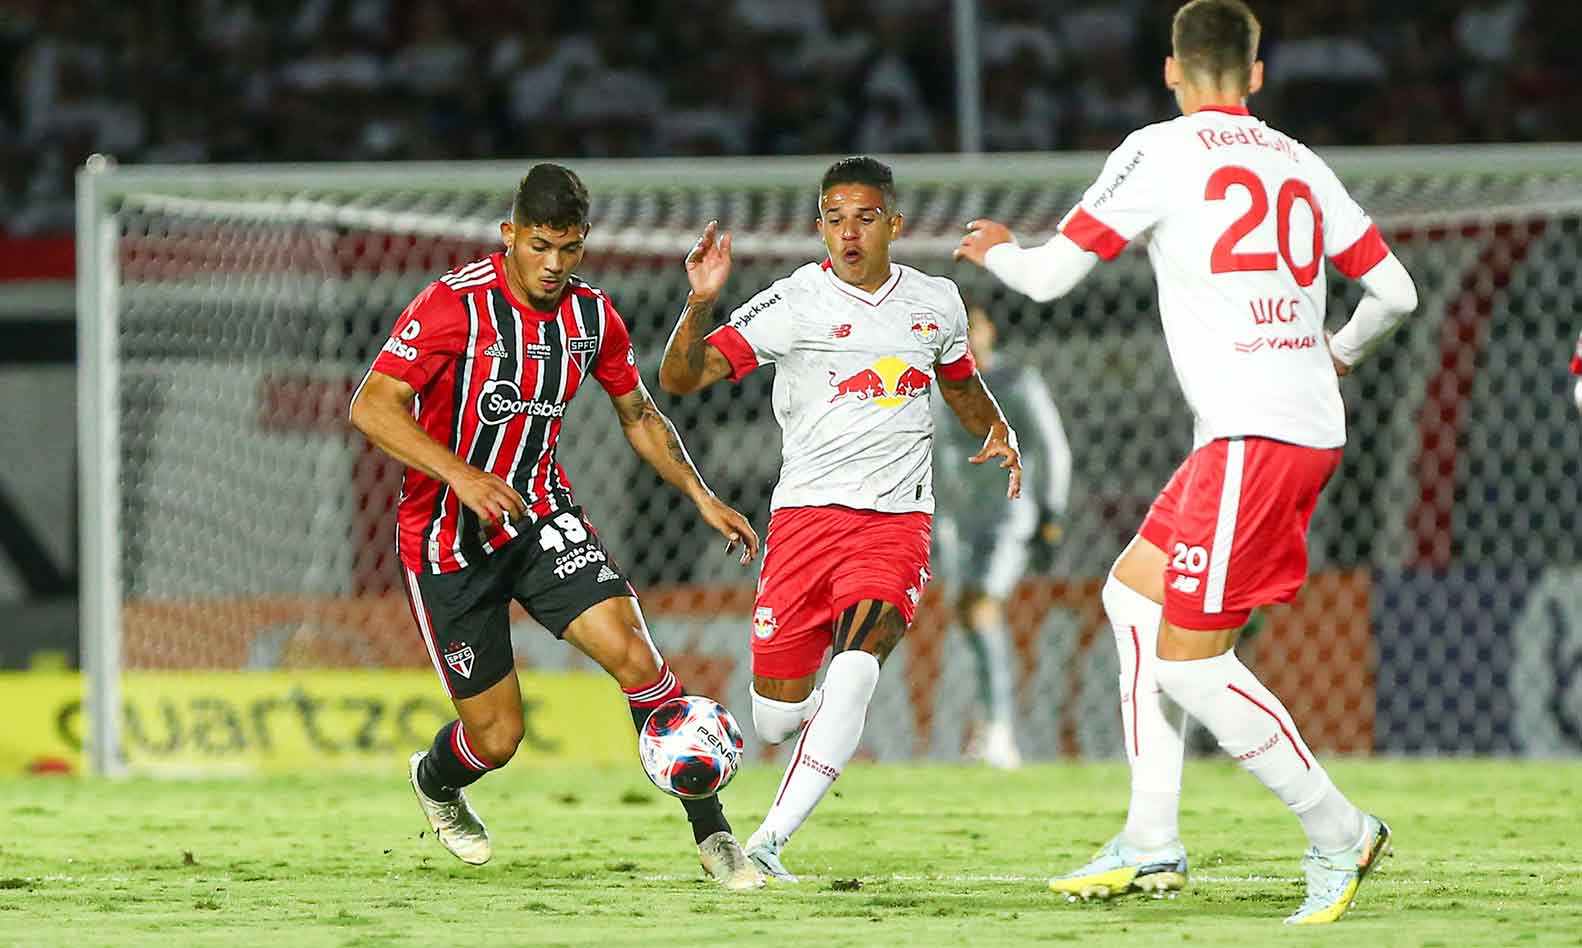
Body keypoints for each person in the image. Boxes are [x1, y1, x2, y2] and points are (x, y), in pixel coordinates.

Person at [956, 0, 1419, 925]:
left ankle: (1339, 832)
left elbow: (1049, 278)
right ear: (1256, 74)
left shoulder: (1159, 151)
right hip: (1275, 427)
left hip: (1254, 436)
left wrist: (1002, 252)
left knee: (1191, 668)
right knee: (1132, 594)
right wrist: (1338, 351)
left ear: (1172, 70)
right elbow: (1396, 292)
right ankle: (1152, 834)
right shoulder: (1299, 160)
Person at [349, 163, 766, 890]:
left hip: (540, 518)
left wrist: (701, 495)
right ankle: (437, 779)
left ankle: (715, 833)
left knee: (638, 659)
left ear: (584, 244)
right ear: (510, 234)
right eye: (539, 246)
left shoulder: (591, 316)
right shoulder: (453, 305)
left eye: (568, 249)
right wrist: (462, 475)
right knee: (497, 738)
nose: (552, 264)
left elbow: (638, 414)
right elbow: (372, 407)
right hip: (447, 541)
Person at [657, 156, 1022, 882]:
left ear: (893, 222)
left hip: (895, 524)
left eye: (863, 217)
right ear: (819, 224)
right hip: (803, 523)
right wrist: (699, 303)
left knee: (856, 674)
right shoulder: (793, 302)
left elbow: (959, 383)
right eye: (833, 218)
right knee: (772, 720)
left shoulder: (937, 302)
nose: (848, 233)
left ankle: (765, 842)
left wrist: (998, 431)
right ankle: (816, 720)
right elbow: (680, 379)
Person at [932, 302, 1072, 769]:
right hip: (956, 520)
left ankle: (1000, 730)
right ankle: (986, 724)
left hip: (1009, 515)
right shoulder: (937, 387)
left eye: (972, 327)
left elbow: (1053, 447)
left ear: (989, 329)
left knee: (981, 608)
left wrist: (1050, 514)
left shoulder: (1017, 384)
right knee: (969, 616)